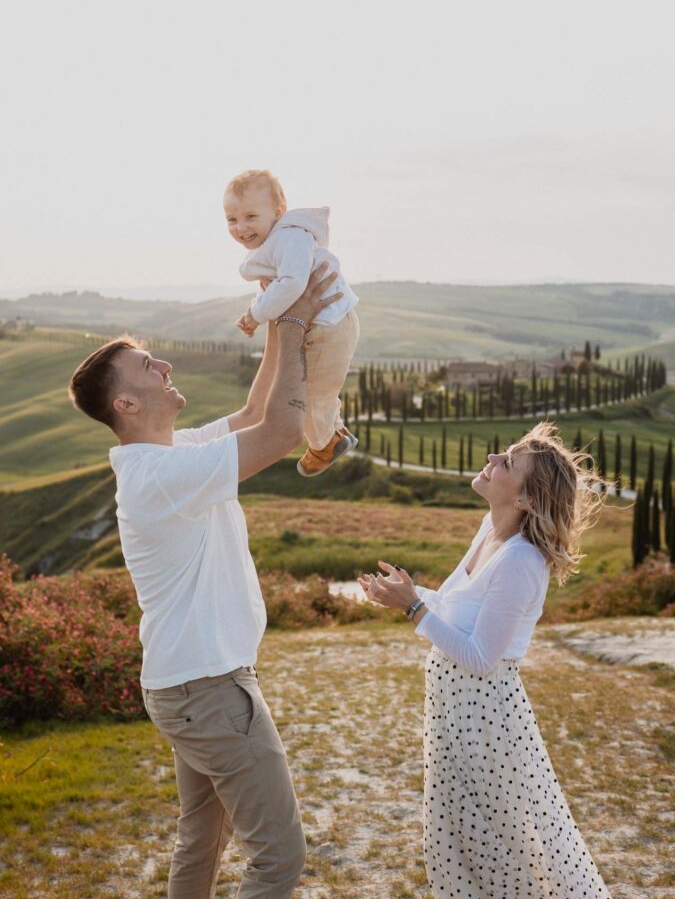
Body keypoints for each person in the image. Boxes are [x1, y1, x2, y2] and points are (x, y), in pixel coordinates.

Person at [68, 266, 341, 899]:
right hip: (210, 688)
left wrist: (277, 319)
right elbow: (278, 430)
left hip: (185, 685)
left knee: (202, 838)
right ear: (126, 404)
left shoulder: (168, 455)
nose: (164, 366)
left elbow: (251, 410)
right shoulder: (158, 476)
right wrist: (300, 319)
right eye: (147, 367)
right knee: (278, 859)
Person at [359, 422, 613, 899]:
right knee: (456, 844)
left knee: (504, 851)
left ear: (527, 500)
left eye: (508, 463)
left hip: (487, 723)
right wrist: (406, 595)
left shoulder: (521, 562)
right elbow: (457, 610)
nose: (494, 459)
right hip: (453, 715)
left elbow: (479, 657)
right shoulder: (488, 531)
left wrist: (412, 608)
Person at [224, 167, 360, 476]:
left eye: (250, 216)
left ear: (278, 211)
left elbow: (293, 284)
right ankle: (336, 433)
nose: (240, 227)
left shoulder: (290, 237)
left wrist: (255, 314)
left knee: (310, 392)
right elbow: (283, 284)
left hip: (329, 325)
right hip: (329, 323)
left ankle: (324, 444)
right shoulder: (284, 239)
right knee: (321, 387)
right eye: (232, 220)